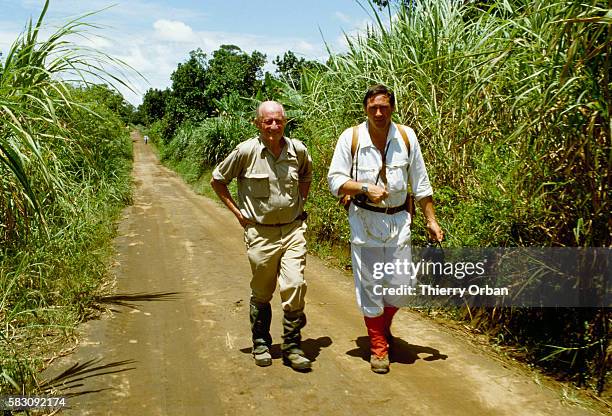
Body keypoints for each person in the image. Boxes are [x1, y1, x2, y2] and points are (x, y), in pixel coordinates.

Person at [327, 84, 443, 374]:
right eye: (373, 107)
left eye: (384, 107)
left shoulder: (406, 137)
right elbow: (334, 181)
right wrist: (365, 187)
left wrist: (431, 219)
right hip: (364, 222)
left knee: (403, 286)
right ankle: (378, 345)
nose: (379, 113)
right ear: (365, 109)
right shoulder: (351, 137)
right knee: (369, 285)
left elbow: (421, 183)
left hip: (399, 221)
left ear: (392, 108)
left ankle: (382, 323)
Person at [211, 101, 313, 371]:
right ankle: (260, 342)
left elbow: (306, 175)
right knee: (262, 291)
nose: (274, 126)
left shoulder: (298, 150)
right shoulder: (246, 151)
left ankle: (292, 347)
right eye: (268, 121)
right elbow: (217, 180)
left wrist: (301, 202)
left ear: (285, 122)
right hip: (260, 234)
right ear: (257, 123)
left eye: (278, 121)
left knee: (294, 285)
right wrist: (237, 213)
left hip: (293, 230)